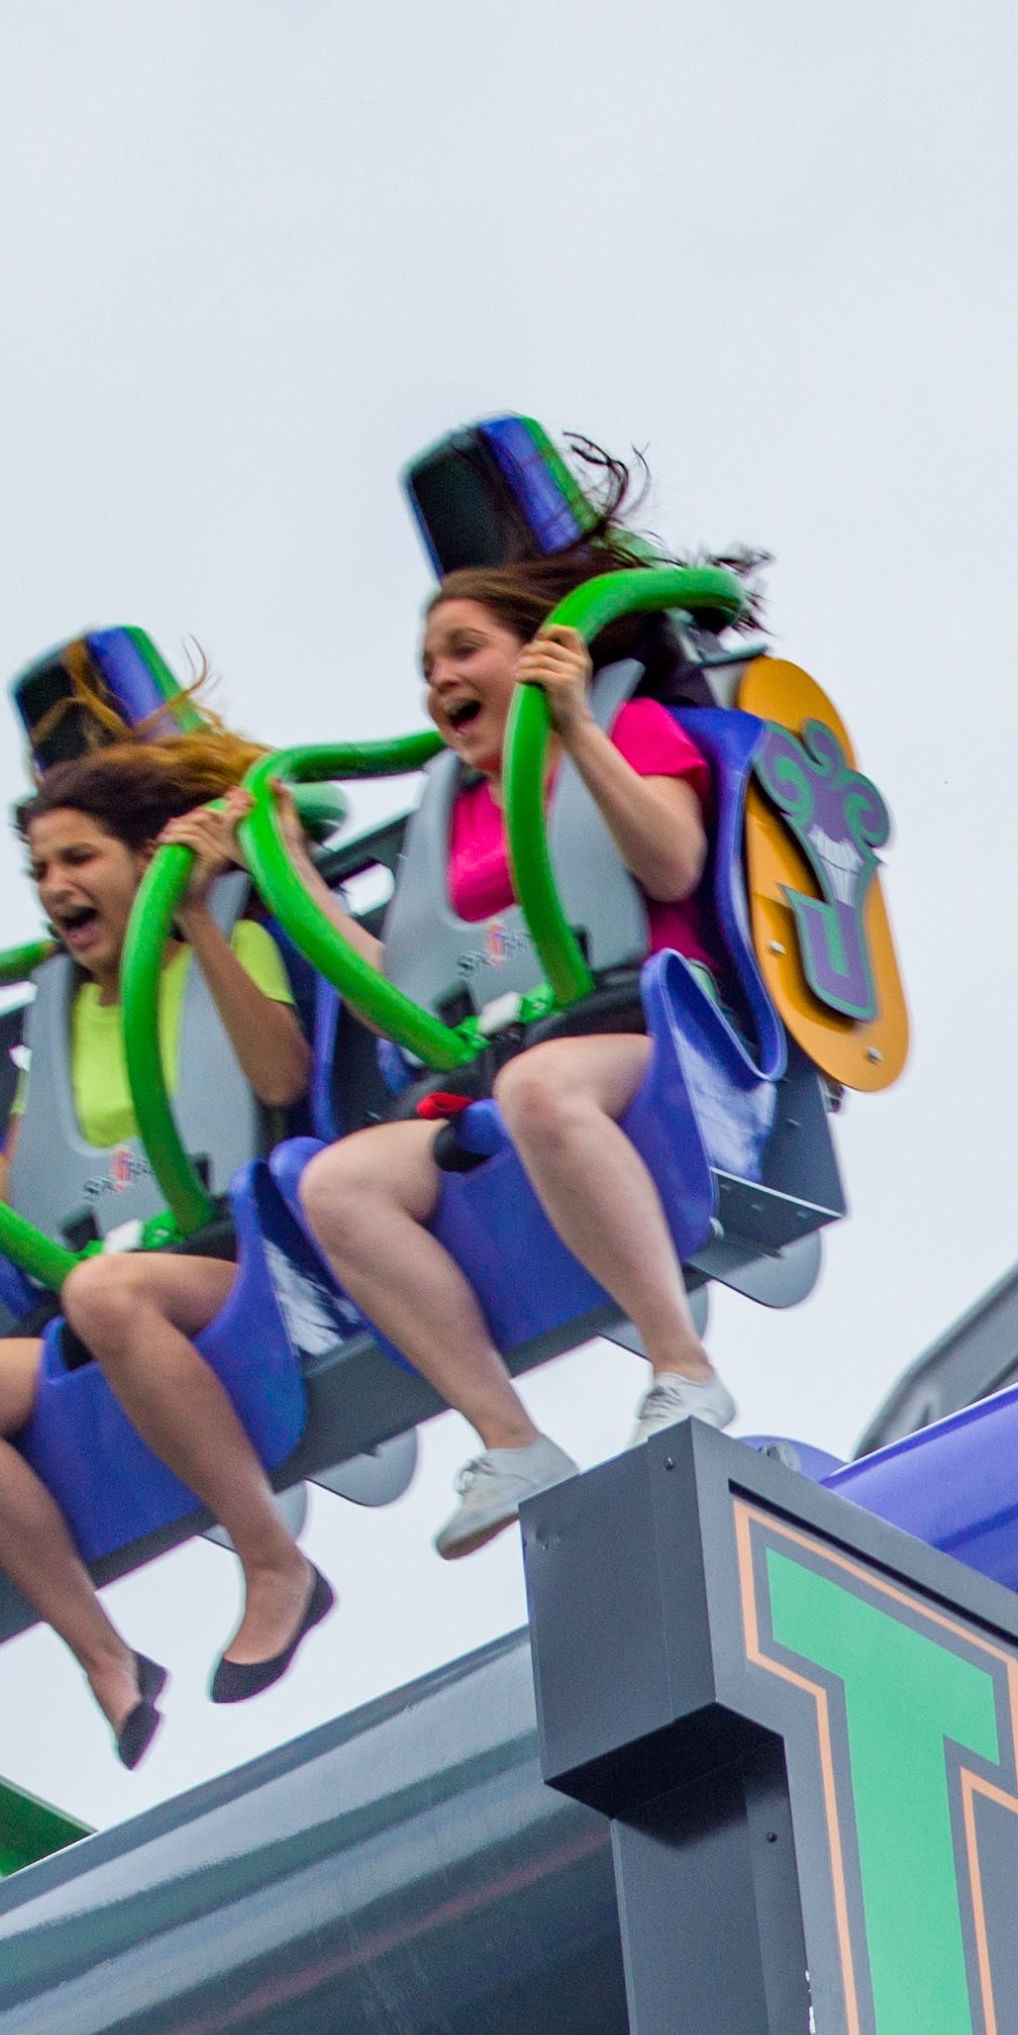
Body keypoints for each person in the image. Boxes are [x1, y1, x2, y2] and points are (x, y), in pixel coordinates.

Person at [281, 467, 761, 1563]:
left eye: (464, 651)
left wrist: (577, 725)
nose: (441, 680)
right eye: (427, 667)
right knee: (337, 1185)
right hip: (507, 1057)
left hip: (649, 1029)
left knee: (537, 1088)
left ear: (536, 650)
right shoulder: (454, 812)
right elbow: (405, 986)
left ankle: (682, 1365)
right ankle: (510, 1441)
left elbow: (672, 861)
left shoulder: (630, 725)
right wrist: (294, 875)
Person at [0, 711, 326, 1760]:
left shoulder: (227, 942)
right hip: (114, 1287)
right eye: (40, 870)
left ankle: (275, 1563)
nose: (55, 887)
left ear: (141, 858)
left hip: (234, 1267)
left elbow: (280, 1078)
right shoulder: (64, 1016)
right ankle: (106, 1659)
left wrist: (198, 915)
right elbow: (26, 1203)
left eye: (78, 858)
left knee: (103, 1293)